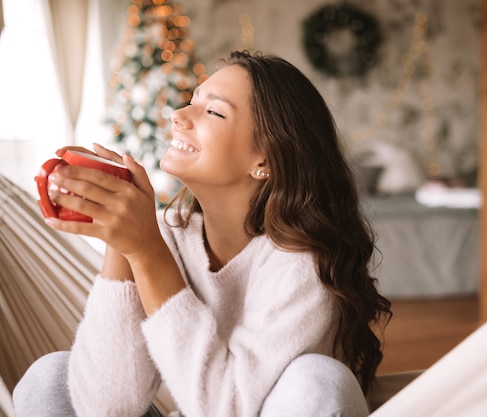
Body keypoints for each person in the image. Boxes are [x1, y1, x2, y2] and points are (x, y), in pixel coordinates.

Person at [12, 50, 392, 417]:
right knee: (50, 378)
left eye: (213, 111)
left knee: (318, 382)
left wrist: (146, 253)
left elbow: (226, 410)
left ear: (265, 160)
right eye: (193, 100)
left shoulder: (302, 262)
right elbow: (106, 408)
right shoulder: (165, 235)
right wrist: (121, 241)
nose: (178, 115)